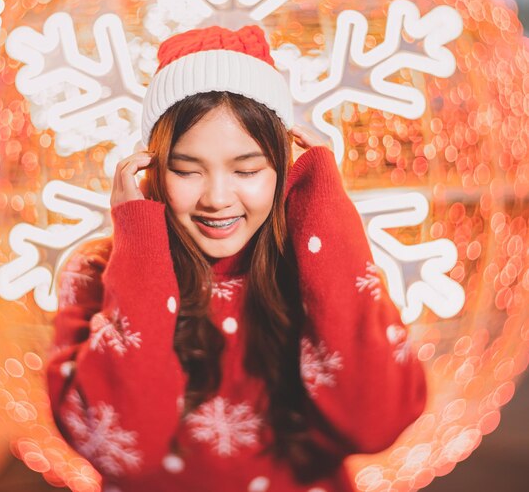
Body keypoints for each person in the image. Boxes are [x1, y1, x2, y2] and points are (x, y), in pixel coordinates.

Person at [46, 25, 427, 492]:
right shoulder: (94, 272)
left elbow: (376, 423)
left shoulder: (322, 258)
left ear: (283, 167)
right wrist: (141, 249)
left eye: (246, 170)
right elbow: (117, 450)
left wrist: (324, 212)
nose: (218, 198)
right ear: (152, 168)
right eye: (187, 170)